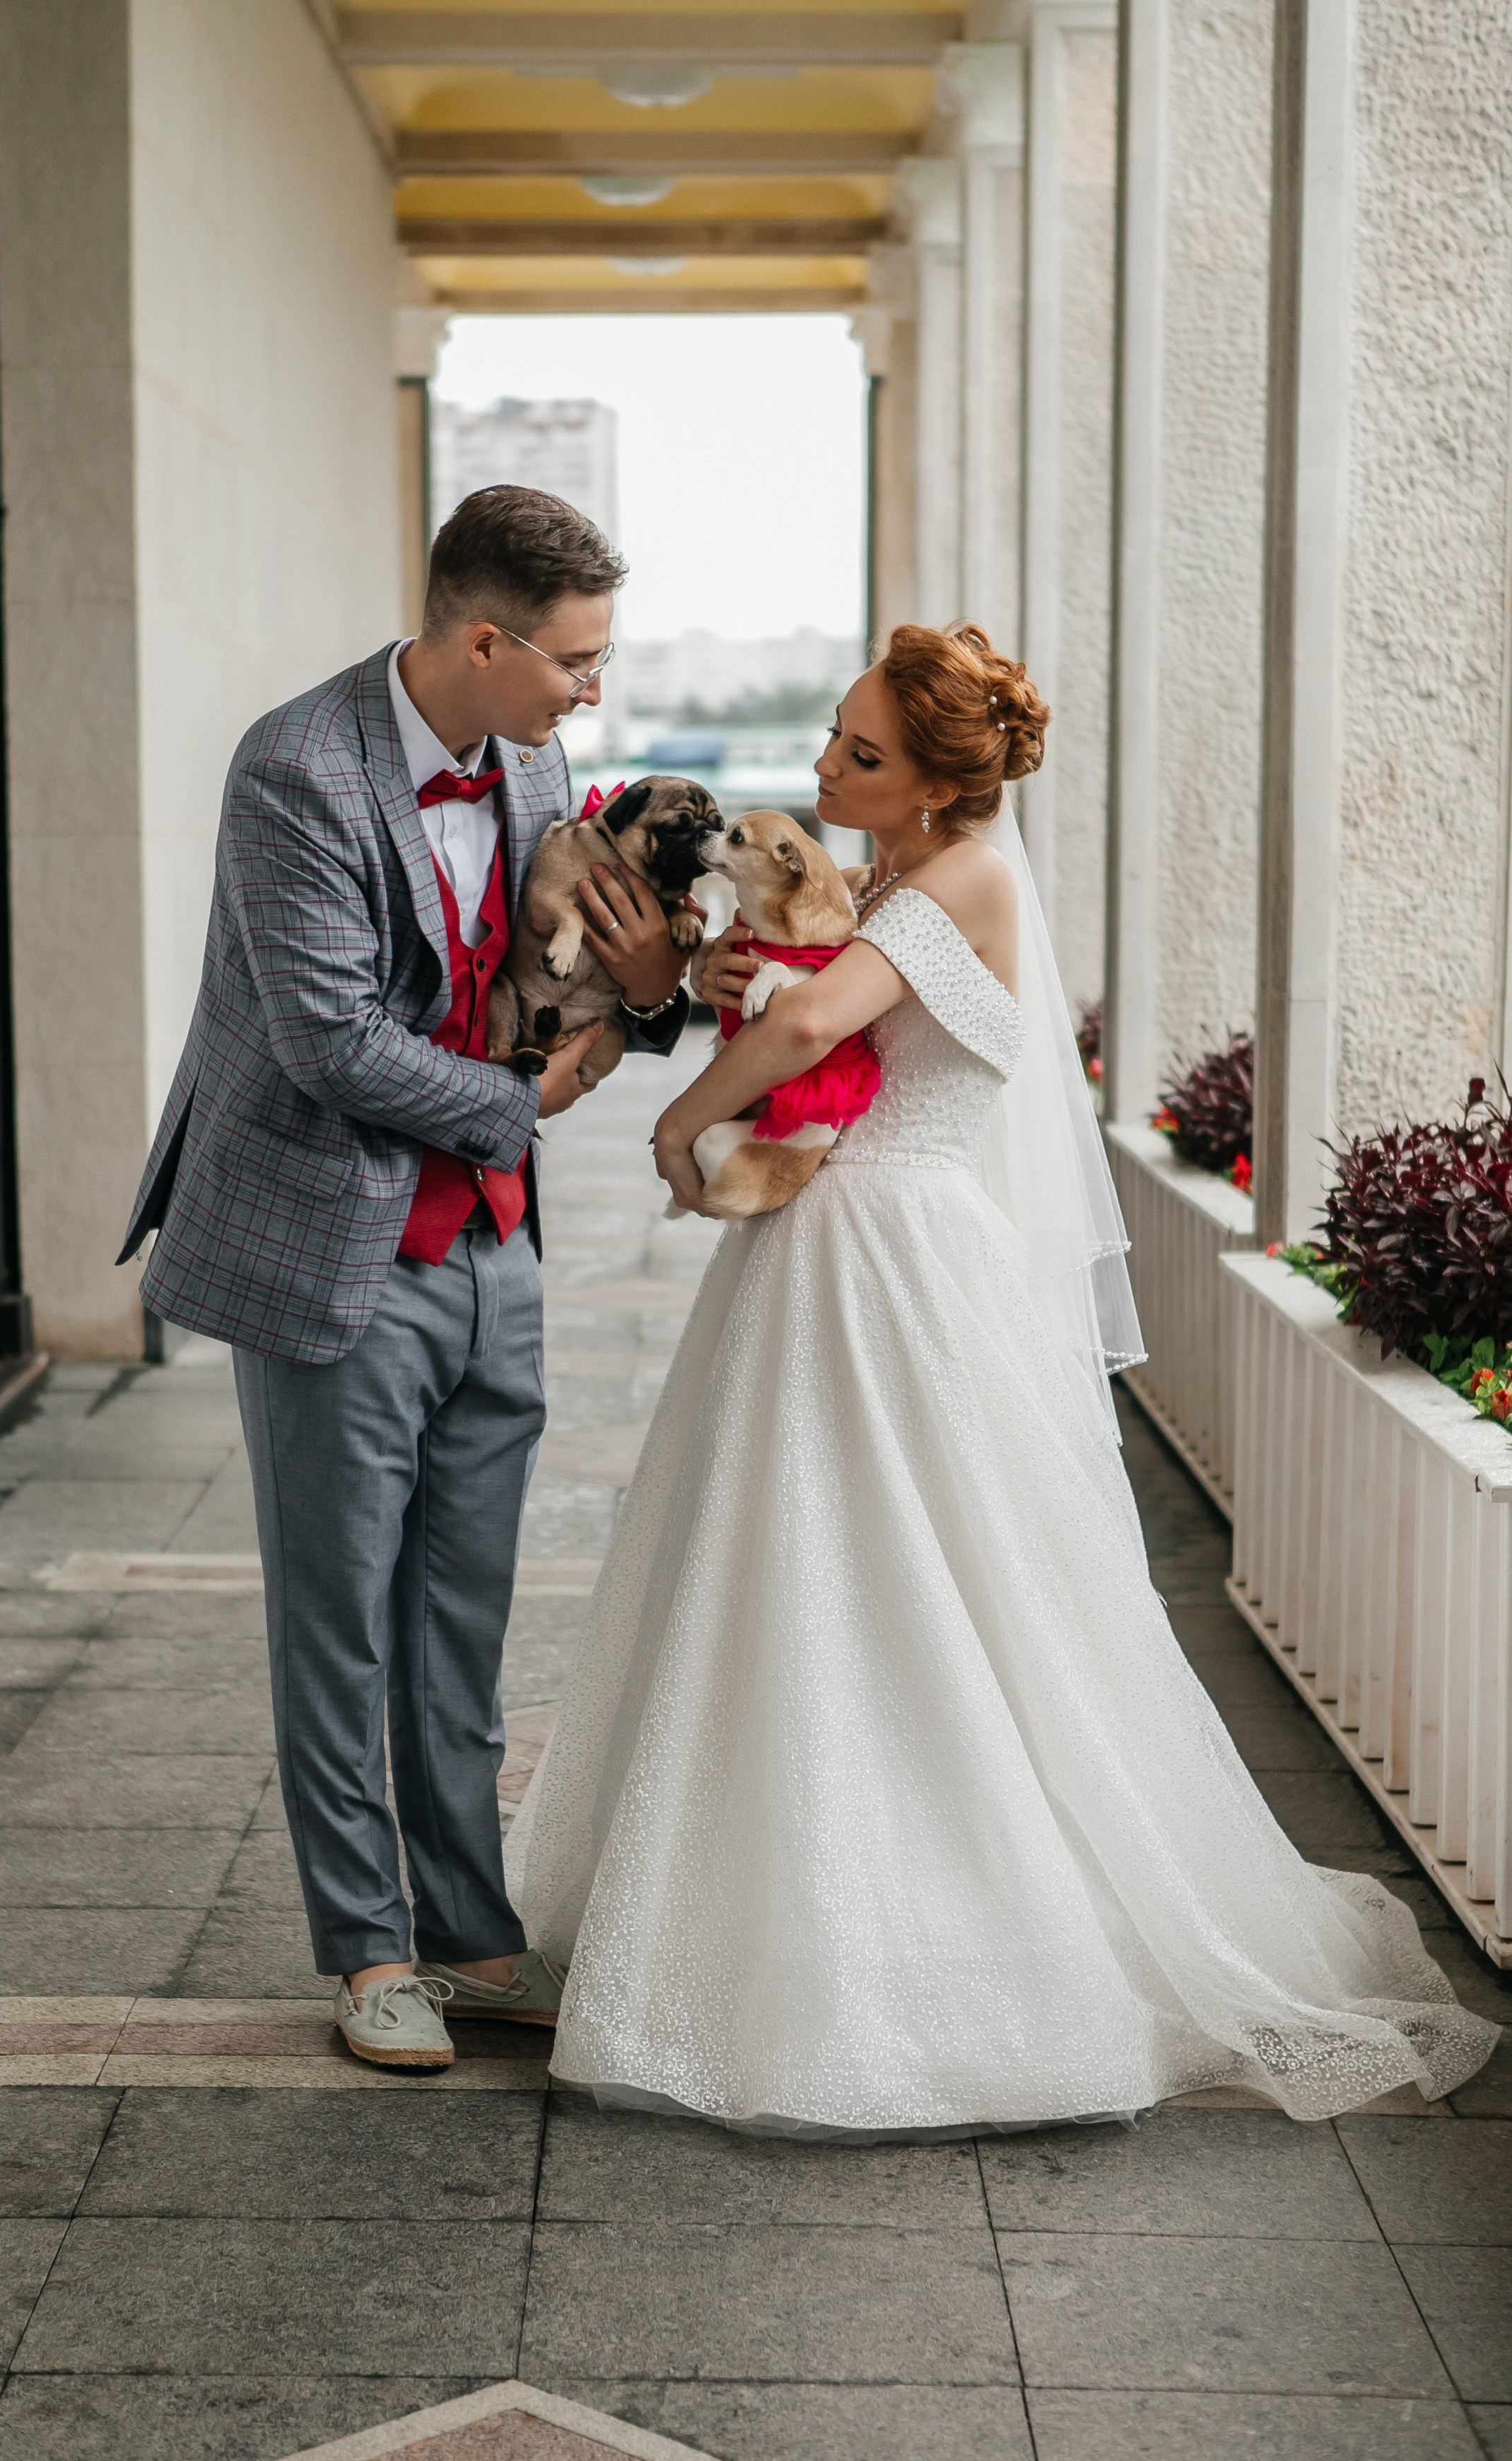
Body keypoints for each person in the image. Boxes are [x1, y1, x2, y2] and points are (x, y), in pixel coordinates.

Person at [505, 621, 1498, 2137]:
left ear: (936, 787)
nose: (827, 765)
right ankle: (765, 1906)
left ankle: (933, 1950)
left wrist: (676, 1118)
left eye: (862, 754)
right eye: (836, 736)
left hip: (888, 1254)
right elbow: (804, 999)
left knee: (908, 1582)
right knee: (794, 1573)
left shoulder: (959, 878)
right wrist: (719, 969)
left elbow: (825, 1024)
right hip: (832, 1245)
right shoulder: (894, 879)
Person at [119, 487, 692, 2070]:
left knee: (464, 1611)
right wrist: (544, 1098)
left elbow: (571, 973)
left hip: (494, 1243)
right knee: (339, 1615)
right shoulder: (294, 769)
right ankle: (366, 1950)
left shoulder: (536, 758)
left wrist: (648, 1002)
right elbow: (329, 1042)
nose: (592, 691)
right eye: (574, 659)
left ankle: (469, 1932)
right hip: (329, 1239)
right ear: (485, 637)